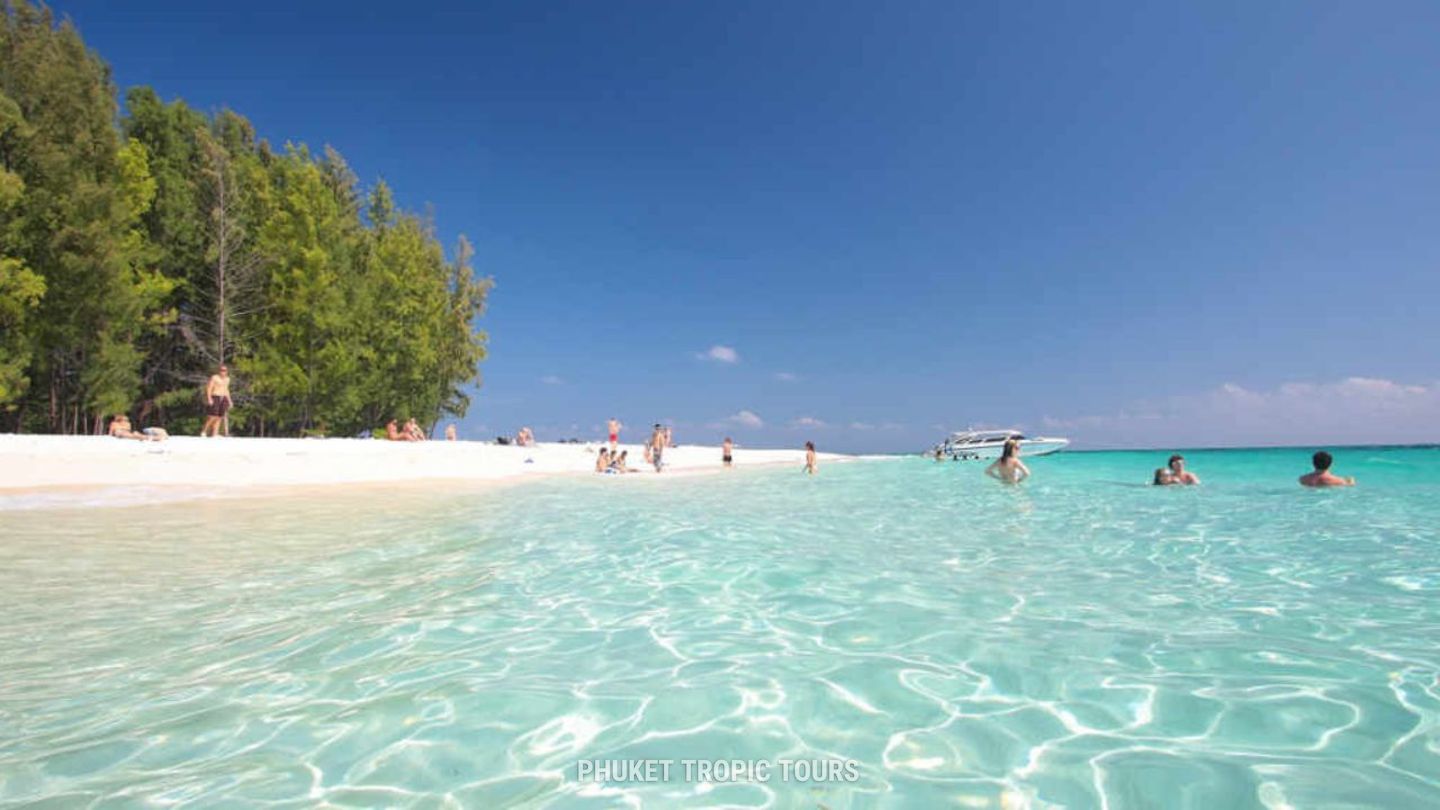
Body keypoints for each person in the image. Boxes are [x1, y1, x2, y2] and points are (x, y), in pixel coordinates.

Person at [201, 364, 232, 437]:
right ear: (219, 371)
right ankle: (204, 431)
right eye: (221, 370)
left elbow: (226, 390)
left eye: (224, 370)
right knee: (212, 416)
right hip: (215, 396)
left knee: (220, 417)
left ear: (227, 371)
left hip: (223, 397)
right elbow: (209, 388)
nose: (223, 372)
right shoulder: (214, 378)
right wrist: (209, 398)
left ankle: (214, 433)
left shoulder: (227, 379)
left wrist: (229, 400)